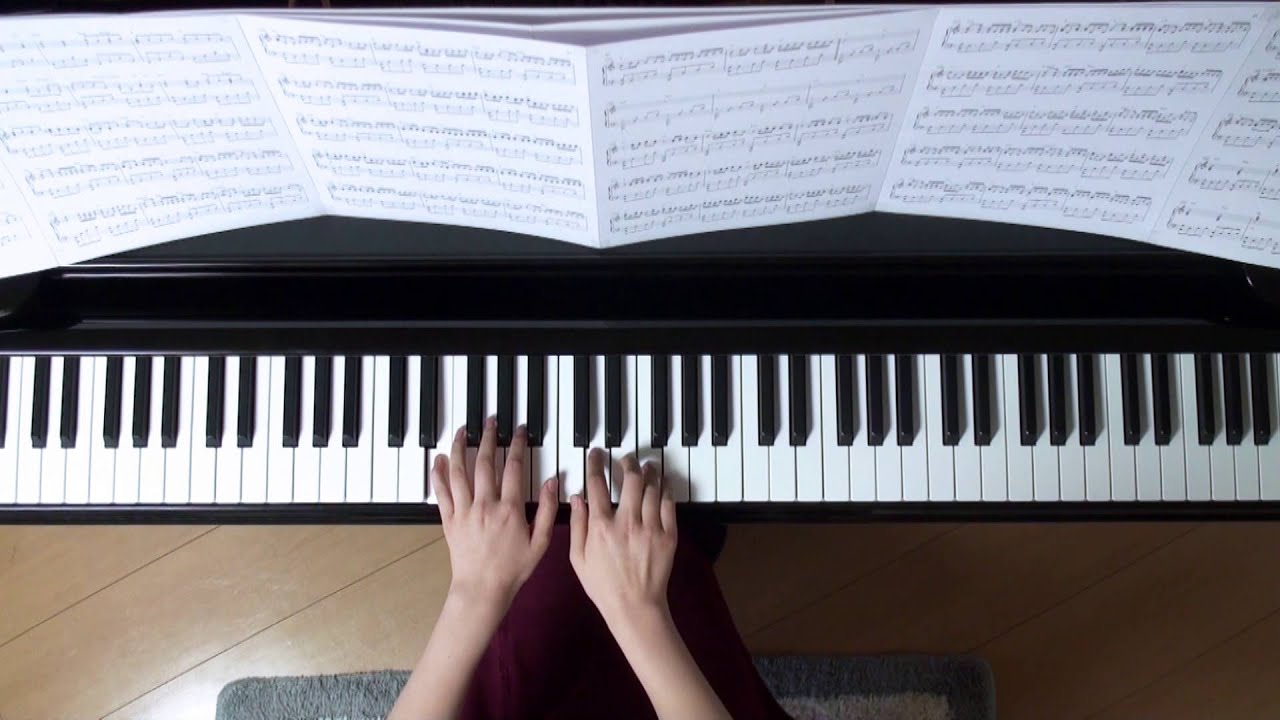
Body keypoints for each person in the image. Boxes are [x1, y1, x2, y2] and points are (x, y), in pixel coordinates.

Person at [388, 417, 792, 720]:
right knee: (672, 550)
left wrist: (476, 591)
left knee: (549, 547)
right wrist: (639, 610)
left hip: (532, 682)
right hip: (669, 652)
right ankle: (689, 532)